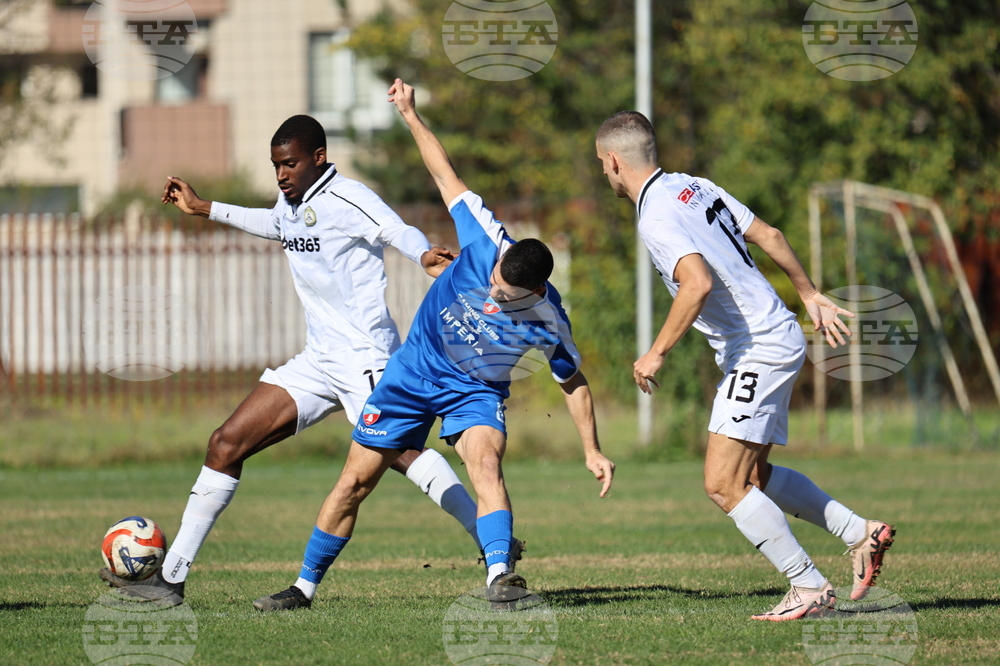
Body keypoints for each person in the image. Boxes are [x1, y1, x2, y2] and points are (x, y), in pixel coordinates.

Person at [99, 114, 517, 606]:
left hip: (368, 358)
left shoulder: (349, 197)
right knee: (226, 443)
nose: (281, 174)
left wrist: (423, 255)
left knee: (404, 456)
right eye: (276, 165)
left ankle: (494, 545)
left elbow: (394, 229)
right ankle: (170, 581)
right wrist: (203, 207)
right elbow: (273, 223)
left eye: (290, 164)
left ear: (318, 157)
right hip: (319, 360)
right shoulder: (290, 201)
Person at [252, 80, 615, 611]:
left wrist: (591, 448)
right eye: (493, 279)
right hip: (411, 374)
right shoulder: (485, 238)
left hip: (474, 392)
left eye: (506, 295)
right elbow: (444, 174)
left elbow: (574, 383)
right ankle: (303, 587)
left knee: (486, 464)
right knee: (355, 481)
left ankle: (500, 577)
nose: (493, 291)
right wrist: (410, 114)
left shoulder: (546, 317)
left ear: (536, 292)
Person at [596, 111, 894, 621]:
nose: (605, 175)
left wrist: (656, 352)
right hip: (774, 335)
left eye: (602, 166)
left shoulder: (655, 217)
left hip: (757, 346)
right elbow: (771, 234)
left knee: (721, 483)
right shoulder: (694, 186)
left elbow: (697, 284)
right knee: (752, 476)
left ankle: (808, 587)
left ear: (614, 162)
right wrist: (809, 293)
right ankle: (860, 533)